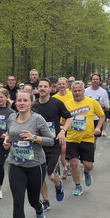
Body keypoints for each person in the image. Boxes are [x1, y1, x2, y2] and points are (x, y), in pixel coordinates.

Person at [3, 89, 54, 218]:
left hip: (35, 165)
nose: (22, 103)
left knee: (32, 200)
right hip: (16, 164)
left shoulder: (38, 119)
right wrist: (6, 140)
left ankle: (39, 209)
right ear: (15, 102)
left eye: (25, 100)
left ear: (32, 103)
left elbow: (50, 141)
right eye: (19, 101)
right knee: (17, 202)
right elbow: (9, 133)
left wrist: (34, 138)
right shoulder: (11, 117)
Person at [32, 78, 72, 209]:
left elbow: (69, 117)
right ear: (37, 89)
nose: (42, 88)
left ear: (50, 89)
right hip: (38, 144)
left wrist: (62, 131)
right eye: (40, 86)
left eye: (45, 86)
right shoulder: (34, 105)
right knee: (39, 176)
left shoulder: (57, 103)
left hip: (54, 145)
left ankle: (58, 185)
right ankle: (45, 201)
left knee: (51, 175)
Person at [64, 80, 105, 196]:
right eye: (74, 91)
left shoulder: (91, 102)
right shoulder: (67, 104)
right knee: (73, 162)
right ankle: (77, 186)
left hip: (87, 138)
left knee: (88, 165)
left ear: (84, 91)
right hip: (72, 138)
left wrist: (98, 128)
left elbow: (102, 116)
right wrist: (63, 129)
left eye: (79, 90)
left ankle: (87, 172)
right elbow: (62, 120)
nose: (77, 93)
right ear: (72, 92)